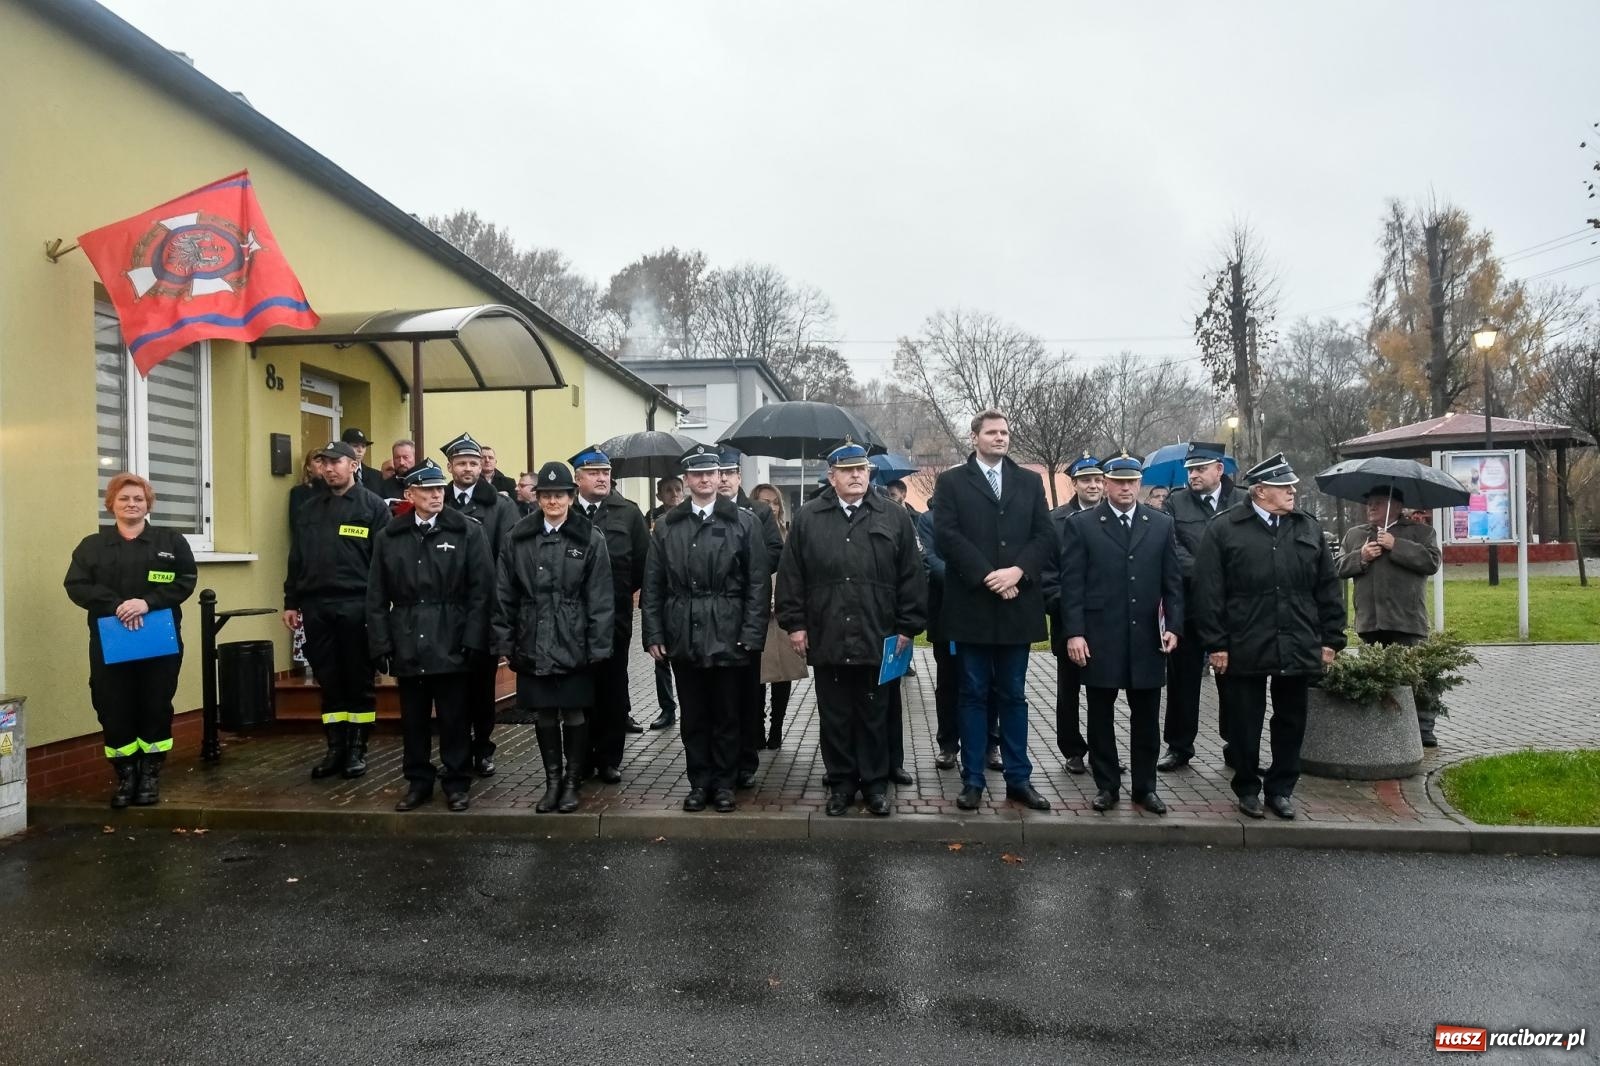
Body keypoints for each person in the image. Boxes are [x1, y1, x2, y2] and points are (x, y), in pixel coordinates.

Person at [1193, 453, 1346, 820]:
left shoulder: (1307, 528)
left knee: (1291, 720)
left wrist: (1331, 639)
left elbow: (1328, 588)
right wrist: (1216, 643)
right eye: (1283, 486)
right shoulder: (1224, 528)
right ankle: (1247, 787)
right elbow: (1208, 591)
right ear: (1260, 491)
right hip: (1244, 642)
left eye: (1291, 485)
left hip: (1297, 639)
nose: (1292, 491)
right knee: (1244, 721)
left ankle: (1281, 789)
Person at [777, 444, 926, 816]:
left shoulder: (894, 515)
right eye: (847, 470)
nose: (857, 475)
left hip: (879, 633)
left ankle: (875, 786)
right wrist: (795, 624)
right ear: (832, 477)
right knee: (835, 715)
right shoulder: (809, 517)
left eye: (862, 469)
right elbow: (792, 576)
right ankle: (841, 784)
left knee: (875, 714)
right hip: (827, 632)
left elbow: (912, 576)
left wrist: (908, 626)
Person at [933, 409, 1056, 812]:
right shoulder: (952, 482)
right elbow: (947, 536)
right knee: (972, 693)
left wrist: (1017, 572)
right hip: (973, 606)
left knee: (1014, 695)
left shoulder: (1029, 481)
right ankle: (973, 780)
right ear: (974, 437)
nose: (1000, 438)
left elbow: (1044, 535)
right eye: (992, 432)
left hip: (1017, 605)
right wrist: (989, 576)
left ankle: (1019, 779)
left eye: (1004, 432)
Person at [641, 445, 769, 813]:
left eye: (710, 473)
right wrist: (654, 633)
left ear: (719, 476)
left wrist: (752, 633)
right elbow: (653, 584)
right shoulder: (668, 526)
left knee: (728, 714)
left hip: (729, 633)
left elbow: (757, 584)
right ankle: (700, 782)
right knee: (694, 715)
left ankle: (725, 783)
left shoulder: (745, 523)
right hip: (684, 632)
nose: (704, 480)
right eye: (696, 474)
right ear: (686, 480)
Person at [1059, 453, 1185, 814]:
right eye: (1119, 481)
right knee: (1100, 716)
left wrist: (1174, 626)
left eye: (1132, 481)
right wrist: (1074, 633)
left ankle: (1145, 788)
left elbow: (1172, 582)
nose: (1126, 487)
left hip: (1147, 636)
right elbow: (1072, 584)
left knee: (1146, 718)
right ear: (1106, 483)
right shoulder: (1082, 524)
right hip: (1102, 634)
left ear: (1139, 483)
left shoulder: (1160, 523)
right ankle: (1107, 785)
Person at [64, 473, 198, 808]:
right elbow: (77, 585)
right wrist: (118, 606)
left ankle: (150, 775)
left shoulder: (171, 542)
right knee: (113, 706)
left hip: (159, 641)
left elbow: (186, 580)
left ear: (148, 504)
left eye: (138, 499)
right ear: (111, 504)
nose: (131, 504)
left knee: (155, 704)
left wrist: (147, 602)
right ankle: (125, 776)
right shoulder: (92, 546)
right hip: (111, 641)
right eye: (124, 498)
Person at [366, 460, 493, 813]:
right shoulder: (390, 537)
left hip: (451, 638)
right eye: (427, 490)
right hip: (408, 638)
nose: (436, 495)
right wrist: (381, 643)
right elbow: (376, 596)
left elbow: (482, 591)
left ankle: (457, 782)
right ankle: (418, 781)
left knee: (454, 718)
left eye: (439, 488)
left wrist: (474, 639)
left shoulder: (467, 531)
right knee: (414, 720)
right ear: (410, 494)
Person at [495, 461, 614, 813]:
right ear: (537, 498)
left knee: (574, 713)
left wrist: (598, 644)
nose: (553, 501)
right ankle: (552, 783)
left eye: (559, 495)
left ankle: (573, 783)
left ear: (571, 497)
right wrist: (504, 640)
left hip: (574, 639)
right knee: (545, 714)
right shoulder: (517, 537)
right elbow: (504, 593)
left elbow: (601, 597)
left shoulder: (589, 537)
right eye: (546, 495)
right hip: (532, 637)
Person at [283, 439, 391, 780]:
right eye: (324, 463)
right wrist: (291, 602)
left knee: (358, 679)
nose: (329, 469)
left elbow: (384, 562)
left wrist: (380, 608)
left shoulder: (373, 507)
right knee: (327, 679)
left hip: (357, 605)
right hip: (316, 606)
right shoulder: (309, 509)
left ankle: (357, 748)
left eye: (336, 462)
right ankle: (335, 748)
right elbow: (296, 559)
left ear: (353, 465)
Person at [1158, 442, 1250, 771]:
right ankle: (1179, 746)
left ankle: (1237, 745)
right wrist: (1209, 572)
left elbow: (1250, 545)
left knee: (1235, 681)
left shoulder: (1243, 501)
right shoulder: (1175, 502)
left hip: (1233, 609)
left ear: (1219, 470)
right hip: (1190, 606)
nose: (1193, 475)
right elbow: (1172, 548)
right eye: (1190, 470)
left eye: (1200, 469)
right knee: (1183, 681)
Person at [1336, 487, 1443, 746]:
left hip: (1407, 619)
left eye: (1378, 503)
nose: (1371, 507)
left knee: (1418, 675)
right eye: (1369, 503)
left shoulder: (1420, 532)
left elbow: (1431, 562)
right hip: (1370, 620)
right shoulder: (1356, 535)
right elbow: (1337, 567)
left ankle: (1423, 729)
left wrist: (1396, 545)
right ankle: (1380, 728)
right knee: (1374, 680)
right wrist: (1361, 557)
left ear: (1397, 506)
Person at [441, 431, 519, 776]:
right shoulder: (437, 499)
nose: (468, 469)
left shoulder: (500, 506)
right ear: (450, 467)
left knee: (481, 688)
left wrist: (502, 613)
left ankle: (483, 748)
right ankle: (455, 753)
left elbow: (508, 560)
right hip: (443, 612)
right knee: (450, 690)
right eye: (461, 463)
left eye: (473, 463)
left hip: (483, 610)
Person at [570, 445, 651, 780]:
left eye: (605, 472)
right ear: (578, 479)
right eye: (594, 473)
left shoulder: (628, 513)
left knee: (612, 687)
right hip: (572, 618)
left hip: (614, 616)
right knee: (578, 688)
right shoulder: (565, 511)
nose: (602, 478)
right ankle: (579, 759)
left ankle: (608, 758)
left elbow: (643, 565)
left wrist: (619, 594)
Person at [717, 448, 784, 790]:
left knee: (747, 691)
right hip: (711, 616)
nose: (723, 479)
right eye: (718, 473)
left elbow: (774, 551)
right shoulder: (699, 513)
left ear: (739, 477)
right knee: (717, 696)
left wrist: (745, 570)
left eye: (729, 472)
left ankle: (746, 758)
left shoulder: (758, 511)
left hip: (745, 611)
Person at [1040, 452, 1105, 775]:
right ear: (1074, 483)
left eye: (1098, 480)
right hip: (1068, 619)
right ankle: (1073, 750)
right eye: (1086, 480)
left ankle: (1103, 751)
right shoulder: (1056, 522)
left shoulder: (1113, 517)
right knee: (1069, 690)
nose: (1093, 485)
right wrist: (1069, 606)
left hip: (1106, 621)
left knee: (1103, 692)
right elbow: (1047, 574)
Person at [751, 483, 808, 747]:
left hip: (784, 614)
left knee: (783, 674)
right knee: (758, 676)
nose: (771, 507)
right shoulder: (750, 530)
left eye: (775, 502)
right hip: (758, 615)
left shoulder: (788, 533)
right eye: (765, 502)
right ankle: (757, 727)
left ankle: (777, 727)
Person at [916, 496, 964, 770]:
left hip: (982, 615)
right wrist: (971, 578)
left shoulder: (982, 513)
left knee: (989, 683)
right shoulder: (929, 519)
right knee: (948, 683)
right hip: (946, 614)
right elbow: (930, 560)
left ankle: (989, 744)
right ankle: (948, 744)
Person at [646, 475, 685, 731]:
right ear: (659, 495)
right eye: (668, 490)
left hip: (681, 597)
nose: (674, 494)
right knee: (661, 660)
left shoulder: (689, 516)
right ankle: (667, 708)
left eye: (677, 489)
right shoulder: (651, 518)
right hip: (661, 598)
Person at [341, 428, 387, 496]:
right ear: (344, 447)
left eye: (363, 446)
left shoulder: (376, 476)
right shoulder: (338, 475)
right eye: (355, 446)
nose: (360, 450)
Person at [288, 448, 324, 529]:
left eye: (325, 461)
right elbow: (297, 525)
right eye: (318, 461)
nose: (322, 465)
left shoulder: (334, 490)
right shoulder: (298, 492)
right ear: (308, 467)